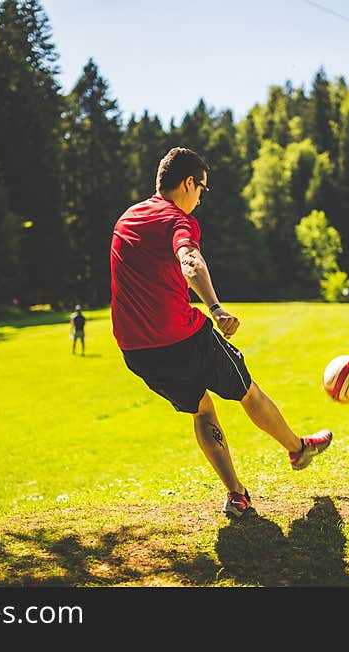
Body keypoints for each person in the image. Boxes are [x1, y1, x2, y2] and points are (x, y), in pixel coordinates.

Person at [109, 146, 332, 519]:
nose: (200, 198)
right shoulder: (177, 219)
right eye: (201, 189)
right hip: (182, 338)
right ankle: (297, 448)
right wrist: (215, 307)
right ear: (188, 183)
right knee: (246, 390)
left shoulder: (127, 218)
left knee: (201, 408)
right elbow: (190, 259)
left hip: (137, 352)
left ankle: (236, 494)